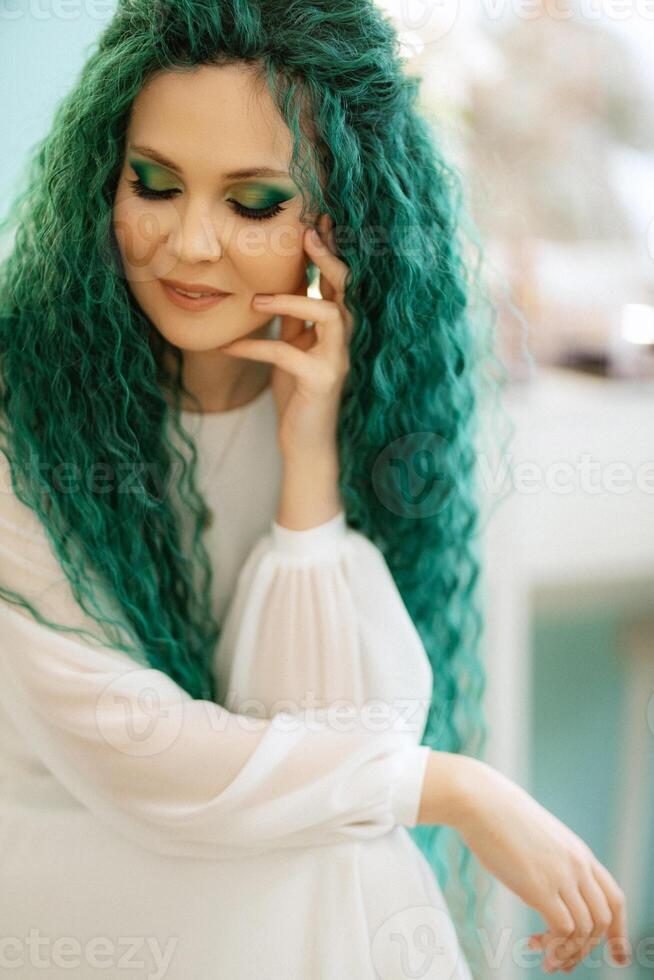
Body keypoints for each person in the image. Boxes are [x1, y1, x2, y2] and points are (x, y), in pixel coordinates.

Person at [0, 1, 630, 977]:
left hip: (251, 858)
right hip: (70, 841)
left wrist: (310, 471)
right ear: (104, 176)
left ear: (341, 224)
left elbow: (322, 740)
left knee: (337, 847)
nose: (190, 243)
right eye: (154, 184)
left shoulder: (362, 406)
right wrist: (456, 786)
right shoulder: (21, 408)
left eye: (253, 203)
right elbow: (139, 757)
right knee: (336, 856)